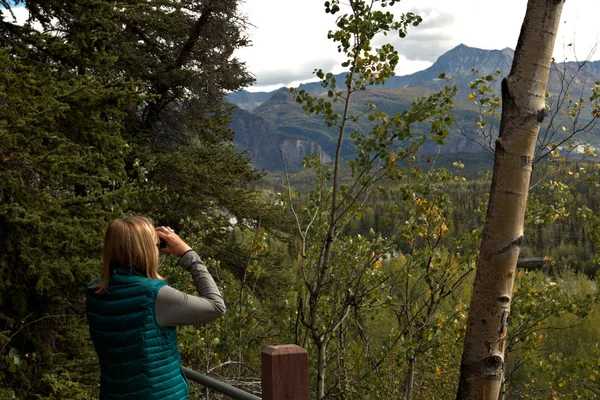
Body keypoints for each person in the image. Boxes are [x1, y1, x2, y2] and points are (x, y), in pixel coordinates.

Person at [86, 215, 226, 400]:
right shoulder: (154, 296)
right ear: (147, 251)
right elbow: (216, 306)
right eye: (155, 245)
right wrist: (188, 255)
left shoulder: (96, 291)